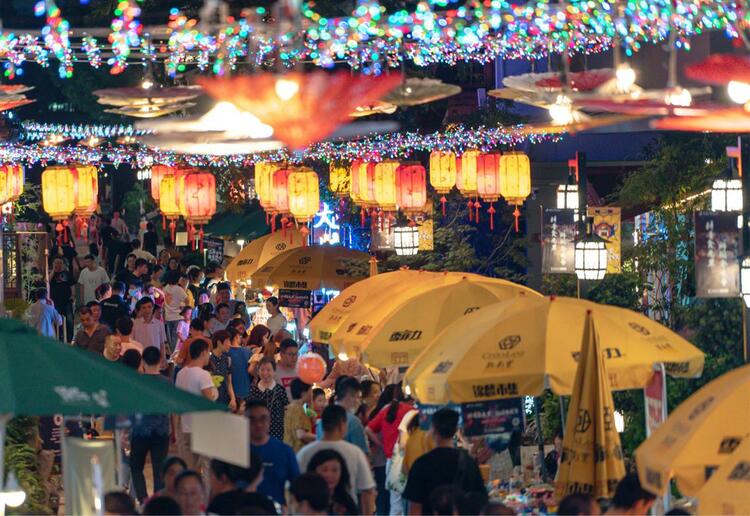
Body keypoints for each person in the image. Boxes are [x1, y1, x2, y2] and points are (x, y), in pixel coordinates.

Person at [403, 408, 487, 515]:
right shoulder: (469, 462)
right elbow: (480, 502)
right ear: (455, 429)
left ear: (433, 429)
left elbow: (415, 508)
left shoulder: (421, 464)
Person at [297, 405, 376, 515]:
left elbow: (296, 491)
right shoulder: (355, 452)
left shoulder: (304, 453)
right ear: (342, 426)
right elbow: (367, 491)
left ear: (322, 425)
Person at [128, 346, 172, 504]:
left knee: (136, 466)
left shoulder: (136, 382)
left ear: (143, 362)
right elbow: (171, 409)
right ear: (160, 361)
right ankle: (158, 502)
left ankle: (143, 499)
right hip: (161, 430)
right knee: (159, 469)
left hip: (139, 430)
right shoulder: (167, 383)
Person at [367, 384, 413, 515]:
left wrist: (382, 444)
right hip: (406, 462)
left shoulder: (386, 410)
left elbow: (368, 429)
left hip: (390, 462)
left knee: (395, 504)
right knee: (409, 503)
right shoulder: (412, 411)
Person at [246, 399, 300, 507]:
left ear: (270, 420)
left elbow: (297, 486)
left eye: (263, 418)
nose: (258, 424)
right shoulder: (237, 450)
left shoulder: (284, 451)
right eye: (252, 419)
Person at [175, 339, 218, 469]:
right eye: (208, 353)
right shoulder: (203, 374)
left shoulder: (181, 373)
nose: (209, 356)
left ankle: (188, 489)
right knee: (207, 467)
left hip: (186, 426)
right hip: (202, 427)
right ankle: (205, 490)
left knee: (189, 467)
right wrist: (215, 394)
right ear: (203, 353)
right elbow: (208, 401)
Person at [206, 453, 278, 515]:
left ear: (223, 478)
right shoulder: (266, 503)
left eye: (210, 476)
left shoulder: (218, 504)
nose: (209, 481)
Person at [315, 377, 369, 455]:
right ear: (349, 396)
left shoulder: (323, 419)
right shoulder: (353, 421)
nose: (360, 402)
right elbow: (362, 453)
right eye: (358, 397)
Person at [247, 357, 289, 440]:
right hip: (257, 431)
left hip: (277, 432)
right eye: (262, 370)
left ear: (274, 372)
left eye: (269, 370)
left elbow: (286, 409)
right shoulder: (253, 390)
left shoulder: (280, 390)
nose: (265, 373)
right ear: (258, 371)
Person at [132, 297, 168, 365]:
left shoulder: (159, 324)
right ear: (140, 309)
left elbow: (162, 343)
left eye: (149, 307)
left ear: (153, 307)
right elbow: (132, 341)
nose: (147, 310)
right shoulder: (135, 323)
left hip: (155, 358)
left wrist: (164, 358)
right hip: (140, 357)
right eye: (144, 307)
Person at [284, 378, 316, 452]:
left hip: (289, 450)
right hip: (299, 451)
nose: (312, 393)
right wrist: (320, 438)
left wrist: (310, 403)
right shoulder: (299, 409)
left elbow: (313, 420)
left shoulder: (289, 407)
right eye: (311, 390)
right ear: (303, 393)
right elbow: (301, 435)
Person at [211, 330, 237, 411]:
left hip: (225, 401)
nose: (230, 344)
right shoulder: (208, 360)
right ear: (219, 342)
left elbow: (229, 382)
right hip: (211, 401)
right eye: (228, 341)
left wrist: (233, 399)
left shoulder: (227, 359)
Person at [50, 256, 74, 341]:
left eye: (60, 263)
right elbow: (47, 281)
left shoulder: (67, 274)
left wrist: (73, 295)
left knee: (69, 320)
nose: (58, 265)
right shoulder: (51, 274)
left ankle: (70, 339)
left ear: (63, 264)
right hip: (55, 301)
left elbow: (72, 285)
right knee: (58, 321)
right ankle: (59, 337)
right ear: (53, 264)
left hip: (67, 300)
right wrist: (53, 271)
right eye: (56, 263)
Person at [163, 272, 188, 349]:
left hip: (168, 316)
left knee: (169, 338)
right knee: (176, 339)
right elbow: (187, 300)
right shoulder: (179, 289)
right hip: (178, 316)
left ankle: (171, 355)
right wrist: (183, 306)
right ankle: (175, 355)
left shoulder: (165, 288)